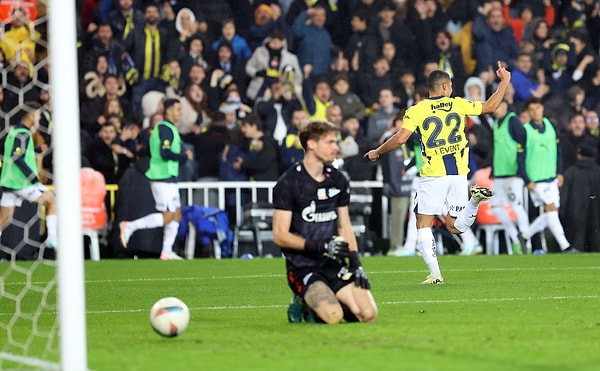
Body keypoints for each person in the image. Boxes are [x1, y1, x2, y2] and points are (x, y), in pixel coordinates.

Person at [364, 61, 511, 284]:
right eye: (450, 84)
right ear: (444, 87)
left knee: (422, 223)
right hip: (459, 175)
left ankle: (435, 273)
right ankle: (473, 202)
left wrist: (378, 151)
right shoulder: (458, 104)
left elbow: (401, 139)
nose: (451, 88)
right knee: (455, 227)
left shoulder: (416, 110)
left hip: (434, 174)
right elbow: (490, 107)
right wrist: (504, 82)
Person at [272, 120, 378, 324]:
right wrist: (320, 246)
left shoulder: (338, 180)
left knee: (368, 314)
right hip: (303, 266)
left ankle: (324, 299)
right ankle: (302, 300)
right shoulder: (288, 183)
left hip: (333, 264)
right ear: (311, 144)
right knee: (333, 316)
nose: (336, 147)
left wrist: (356, 264)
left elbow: (344, 226)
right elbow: (280, 235)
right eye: (330, 142)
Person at [119, 98, 193, 260]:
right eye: (178, 109)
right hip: (162, 176)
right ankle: (130, 226)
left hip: (170, 177)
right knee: (167, 216)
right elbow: (165, 153)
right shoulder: (164, 128)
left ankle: (166, 251)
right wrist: (183, 156)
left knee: (177, 214)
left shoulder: (169, 129)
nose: (181, 112)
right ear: (168, 111)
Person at [0, 103, 57, 249]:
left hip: (8, 182)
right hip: (22, 183)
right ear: (30, 115)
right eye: (38, 114)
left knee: (3, 218)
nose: (39, 117)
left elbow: (12, 152)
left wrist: (37, 149)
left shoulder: (12, 132)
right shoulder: (23, 134)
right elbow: (16, 156)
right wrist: (32, 177)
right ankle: (52, 239)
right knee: (51, 201)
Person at [519, 97, 572, 253]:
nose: (536, 112)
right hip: (536, 179)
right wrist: (527, 179)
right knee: (550, 208)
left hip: (551, 176)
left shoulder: (551, 125)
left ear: (542, 108)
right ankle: (565, 246)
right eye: (532, 109)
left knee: (552, 212)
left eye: (538, 108)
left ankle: (525, 235)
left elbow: (558, 150)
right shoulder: (525, 130)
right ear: (528, 112)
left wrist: (560, 172)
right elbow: (520, 157)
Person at [489, 100, 531, 254]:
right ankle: (515, 238)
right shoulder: (496, 123)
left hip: (513, 173)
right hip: (500, 174)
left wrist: (521, 169)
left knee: (516, 206)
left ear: (505, 105)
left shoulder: (513, 120)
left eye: (498, 106)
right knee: (495, 207)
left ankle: (527, 239)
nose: (495, 110)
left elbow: (522, 143)